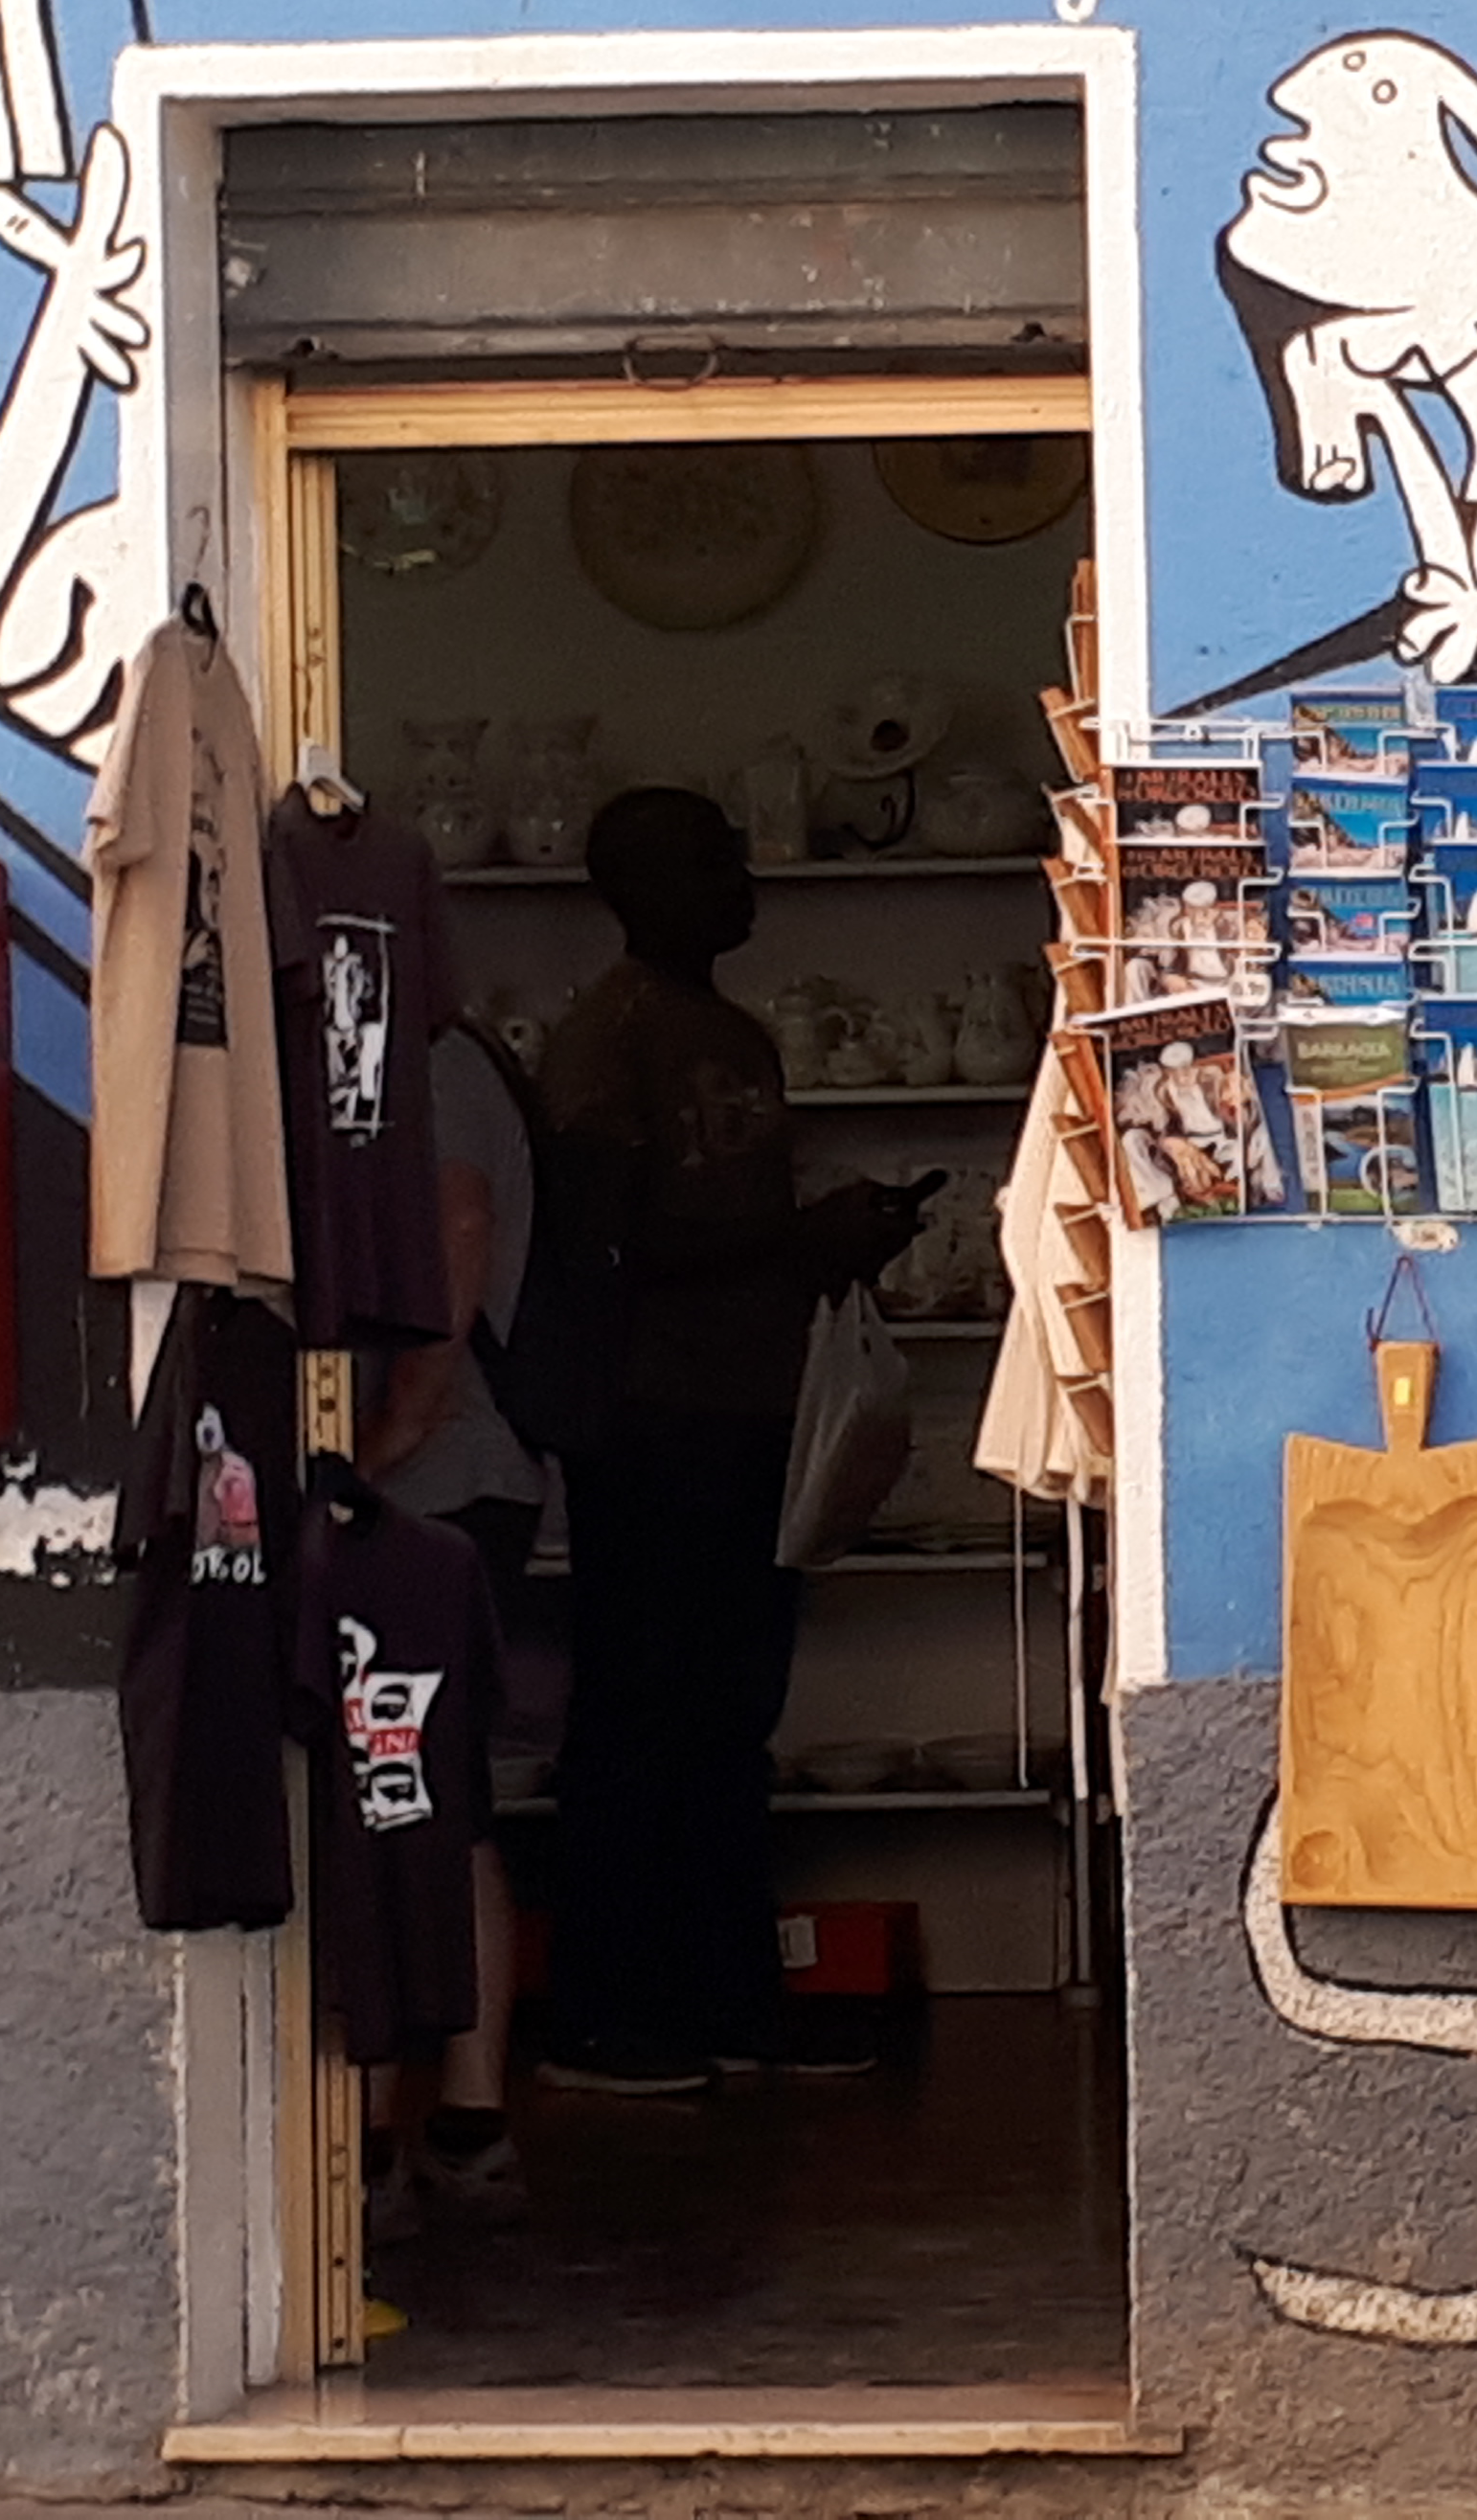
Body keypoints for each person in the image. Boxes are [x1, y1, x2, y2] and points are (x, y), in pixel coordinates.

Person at [534, 789, 926, 2093]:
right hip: (653, 1421)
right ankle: (602, 2014)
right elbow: (603, 1245)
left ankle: (730, 2002)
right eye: (710, 861)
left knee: (727, 1723)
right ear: (636, 886)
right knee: (639, 1719)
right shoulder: (609, 1039)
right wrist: (794, 1240)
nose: (741, 878)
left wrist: (834, 1243)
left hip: (752, 1414)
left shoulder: (735, 1033)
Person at [352, 1016, 547, 2225]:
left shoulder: (431, 1062)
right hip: (441, 1483)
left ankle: (407, 2123)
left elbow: (458, 1225)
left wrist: (395, 1430)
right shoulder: (428, 1056)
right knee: (430, 1793)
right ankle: (448, 2119)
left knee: (407, 1797)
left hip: (440, 1485)